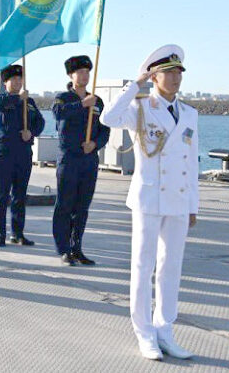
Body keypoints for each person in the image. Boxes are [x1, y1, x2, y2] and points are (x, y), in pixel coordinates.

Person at [100, 45, 198, 361]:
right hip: (149, 197)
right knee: (143, 267)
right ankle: (144, 333)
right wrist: (134, 86)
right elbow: (107, 117)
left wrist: (193, 204)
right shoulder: (140, 109)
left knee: (172, 267)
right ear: (154, 76)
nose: (175, 78)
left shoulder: (190, 114)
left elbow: (192, 163)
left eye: (178, 72)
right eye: (168, 72)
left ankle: (165, 330)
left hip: (179, 200)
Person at [52, 55, 110, 265]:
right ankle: (64, 249)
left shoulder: (97, 101)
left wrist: (95, 144)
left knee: (82, 206)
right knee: (65, 204)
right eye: (80, 72)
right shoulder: (63, 98)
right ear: (71, 75)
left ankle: (77, 247)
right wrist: (81, 105)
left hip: (89, 159)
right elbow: (58, 114)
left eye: (87, 72)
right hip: (69, 158)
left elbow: (105, 129)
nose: (84, 75)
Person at [0, 64, 45, 247]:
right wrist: (16, 99)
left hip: (23, 152)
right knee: (2, 195)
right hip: (4, 152)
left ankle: (18, 233)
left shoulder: (29, 102)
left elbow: (40, 122)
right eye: (13, 79)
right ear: (5, 82)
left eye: (20, 79)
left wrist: (32, 132)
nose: (17, 82)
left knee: (20, 195)